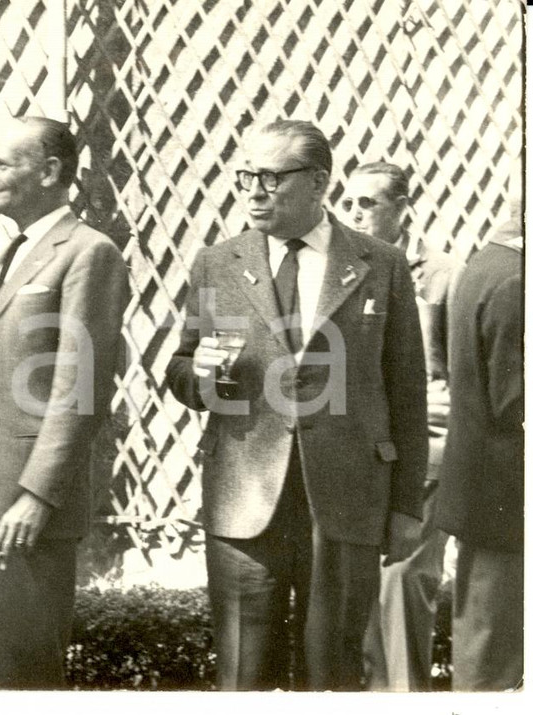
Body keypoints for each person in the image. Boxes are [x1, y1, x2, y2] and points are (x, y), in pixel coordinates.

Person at [165, 120, 428, 691]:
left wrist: (407, 506)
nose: (253, 192)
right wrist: (200, 373)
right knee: (242, 673)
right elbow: (181, 370)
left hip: (346, 495)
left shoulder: (380, 264)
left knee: (332, 671)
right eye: (244, 177)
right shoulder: (218, 263)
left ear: (318, 183)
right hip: (244, 496)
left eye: (270, 178)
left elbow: (406, 390)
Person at [0, 116, 129, 688]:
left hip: (25, 511)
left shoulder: (89, 253)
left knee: (26, 679)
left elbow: (81, 387)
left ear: (50, 172)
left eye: (2, 162)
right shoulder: (10, 253)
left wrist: (37, 495)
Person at [341, 162, 462, 691]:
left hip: (424, 448)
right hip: (361, 449)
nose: (353, 213)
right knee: (357, 587)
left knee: (403, 583)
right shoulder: (347, 268)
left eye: (368, 203)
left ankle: (404, 699)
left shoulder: (441, 276)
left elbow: (465, 368)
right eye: (348, 202)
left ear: (402, 208)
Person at [434, 200, 523, 691]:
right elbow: (516, 404)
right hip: (505, 501)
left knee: (484, 651)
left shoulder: (485, 263)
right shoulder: (515, 280)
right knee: (493, 663)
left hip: (488, 498)